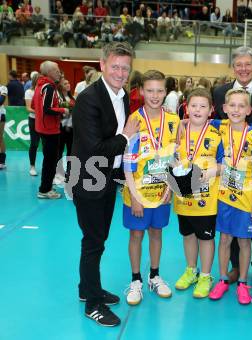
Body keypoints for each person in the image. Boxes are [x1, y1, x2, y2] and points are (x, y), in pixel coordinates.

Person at [68, 42, 139, 327]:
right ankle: (93, 305)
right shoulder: (88, 98)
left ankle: (88, 289)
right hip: (87, 177)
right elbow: (96, 146)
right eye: (116, 67)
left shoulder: (120, 95)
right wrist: (125, 136)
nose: (121, 73)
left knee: (98, 238)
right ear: (102, 65)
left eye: (125, 68)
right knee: (93, 242)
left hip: (106, 177)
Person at [213, 46, 252, 283]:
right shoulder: (220, 92)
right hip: (228, 176)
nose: (243, 68)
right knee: (230, 227)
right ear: (233, 67)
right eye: (238, 64)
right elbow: (211, 123)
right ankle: (234, 267)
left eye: (247, 64)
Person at [123, 70, 178, 306]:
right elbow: (127, 160)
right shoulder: (135, 119)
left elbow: (176, 159)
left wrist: (170, 189)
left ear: (166, 92)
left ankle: (154, 275)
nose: (155, 95)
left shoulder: (174, 121)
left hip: (162, 192)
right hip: (136, 192)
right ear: (141, 91)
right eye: (150, 90)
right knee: (136, 234)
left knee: (157, 232)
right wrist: (135, 196)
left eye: (159, 90)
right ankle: (136, 280)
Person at [208, 88, 252, 305]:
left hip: (246, 196)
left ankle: (243, 282)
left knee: (243, 241)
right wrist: (181, 122)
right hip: (223, 195)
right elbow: (196, 121)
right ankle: (223, 279)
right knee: (224, 239)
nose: (236, 109)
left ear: (249, 110)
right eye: (232, 105)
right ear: (224, 108)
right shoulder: (218, 127)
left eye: (242, 106)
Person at [173, 88, 223, 298]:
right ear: (186, 107)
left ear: (211, 110)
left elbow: (226, 163)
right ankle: (191, 270)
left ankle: (205, 275)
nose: (197, 110)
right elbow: (170, 155)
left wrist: (213, 171)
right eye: (193, 105)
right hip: (184, 196)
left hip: (207, 198)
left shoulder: (217, 133)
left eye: (203, 106)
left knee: (205, 238)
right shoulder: (179, 131)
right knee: (188, 235)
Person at [34, 61, 68, 199]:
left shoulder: (41, 85)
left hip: (45, 127)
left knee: (49, 160)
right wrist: (62, 110)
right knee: (50, 161)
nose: (59, 72)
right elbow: (47, 109)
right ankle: (44, 189)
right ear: (49, 72)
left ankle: (46, 186)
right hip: (49, 129)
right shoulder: (48, 87)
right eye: (56, 70)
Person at [25, 71, 39, 176]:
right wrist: (41, 112)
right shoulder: (29, 92)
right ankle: (32, 166)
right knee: (34, 144)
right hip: (34, 120)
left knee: (48, 145)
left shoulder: (45, 91)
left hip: (45, 121)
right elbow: (29, 108)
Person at [0, 84, 7, 169]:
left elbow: (1, 101)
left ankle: (2, 161)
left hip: (0, 115)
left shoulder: (3, 88)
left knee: (0, 138)